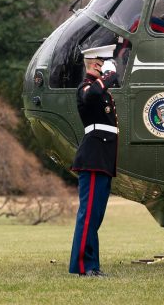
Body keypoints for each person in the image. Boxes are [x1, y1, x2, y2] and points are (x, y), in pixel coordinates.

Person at [69, 44, 118, 277]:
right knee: (88, 215)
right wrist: (108, 76)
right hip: (93, 158)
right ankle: (83, 266)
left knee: (95, 216)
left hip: (103, 159)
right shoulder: (86, 88)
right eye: (104, 63)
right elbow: (93, 95)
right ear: (97, 64)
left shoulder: (100, 90)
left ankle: (93, 265)